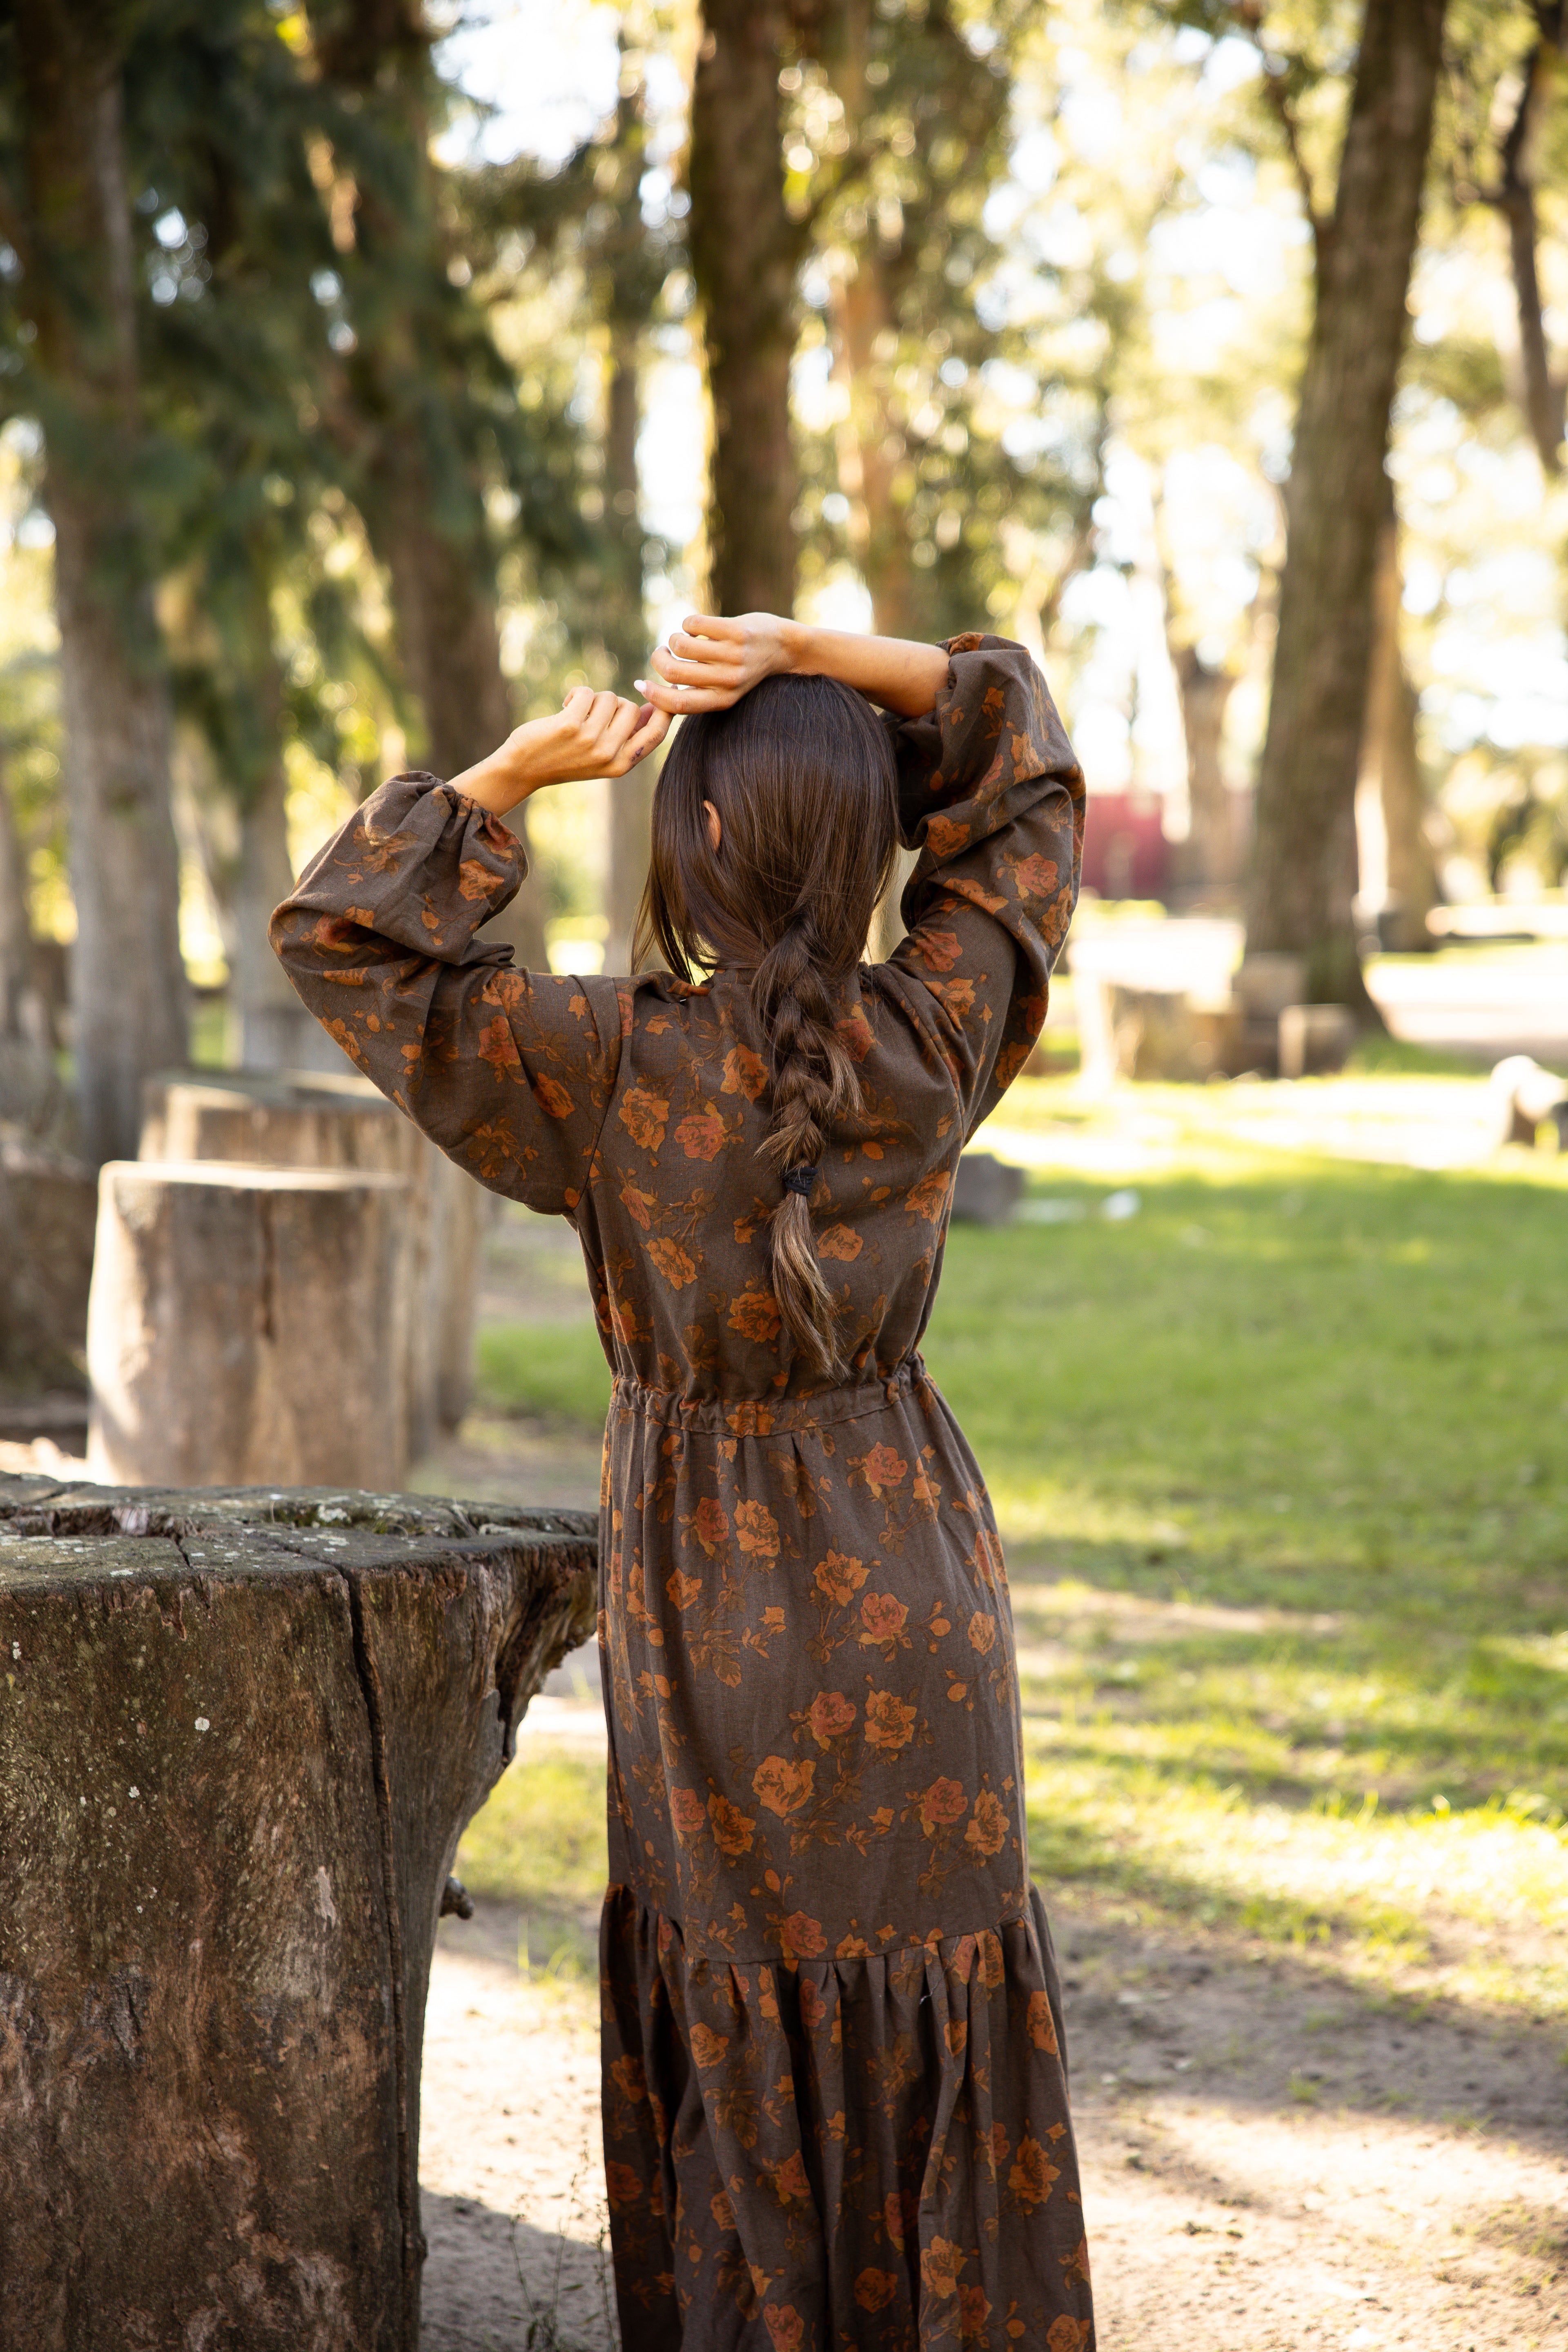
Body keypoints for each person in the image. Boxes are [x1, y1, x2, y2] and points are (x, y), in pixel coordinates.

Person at [271, 612, 1093, 2352]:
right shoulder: (936, 1030)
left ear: (697, 837)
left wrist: (510, 777)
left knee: (738, 2009)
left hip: (709, 1607)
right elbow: (1023, 769)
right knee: (939, 1988)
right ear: (872, 848)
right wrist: (827, 653)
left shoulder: (602, 1061)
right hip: (921, 1578)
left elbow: (343, 937)